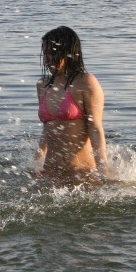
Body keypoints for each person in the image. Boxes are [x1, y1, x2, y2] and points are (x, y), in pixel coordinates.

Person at [35, 26, 108, 183]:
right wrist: (36, 161)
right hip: (49, 174)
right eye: (45, 53)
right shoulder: (43, 85)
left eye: (53, 53)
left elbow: (95, 128)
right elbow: (47, 129)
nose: (47, 59)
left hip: (81, 174)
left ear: (68, 53)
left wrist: (104, 172)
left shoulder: (85, 82)